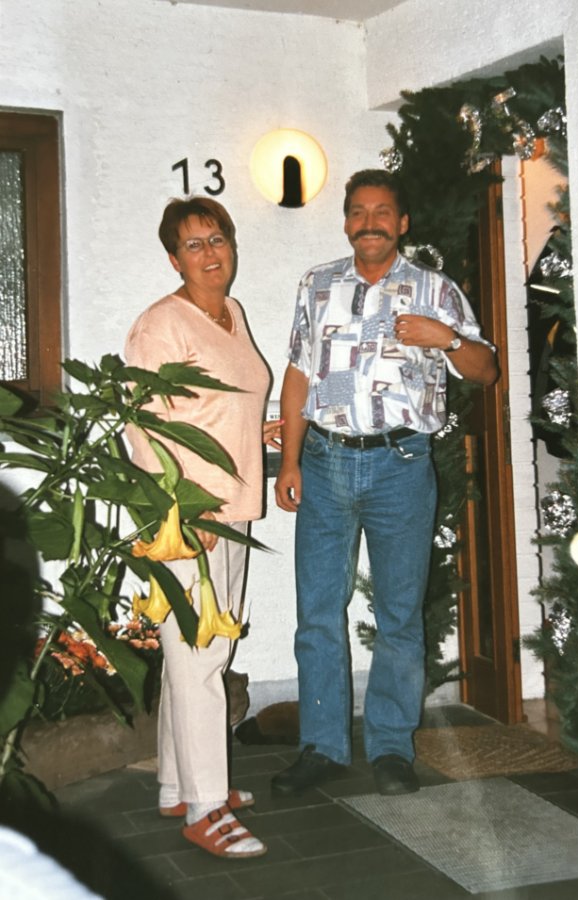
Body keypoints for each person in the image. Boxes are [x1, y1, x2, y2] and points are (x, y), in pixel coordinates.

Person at [272, 169, 498, 796]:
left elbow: (485, 370)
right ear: (347, 221)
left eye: (382, 212)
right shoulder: (317, 284)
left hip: (401, 465)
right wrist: (289, 461)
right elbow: (298, 375)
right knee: (318, 612)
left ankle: (392, 747)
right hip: (324, 462)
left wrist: (445, 337)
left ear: (401, 223)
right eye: (358, 211)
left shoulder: (434, 289)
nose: (369, 222)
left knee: (399, 612)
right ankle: (322, 747)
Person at [125, 196, 280, 858]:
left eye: (218, 239)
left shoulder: (232, 314)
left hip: (230, 509)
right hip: (190, 514)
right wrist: (186, 507)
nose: (211, 253)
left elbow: (213, 409)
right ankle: (206, 808)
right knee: (199, 658)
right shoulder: (161, 324)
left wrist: (256, 433)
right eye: (194, 245)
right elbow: (144, 426)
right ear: (173, 259)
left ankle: (176, 785)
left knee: (196, 655)